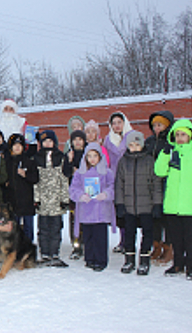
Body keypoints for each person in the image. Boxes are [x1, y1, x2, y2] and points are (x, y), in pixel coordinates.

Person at [155, 119, 192, 281]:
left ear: (190, 136)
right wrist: (165, 154)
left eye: (183, 135)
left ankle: (190, 266)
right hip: (173, 204)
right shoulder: (170, 152)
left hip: (190, 204)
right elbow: (159, 171)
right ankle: (177, 264)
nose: (180, 138)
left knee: (189, 237)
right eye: (177, 135)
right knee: (175, 237)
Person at [115, 131, 163, 276]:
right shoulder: (123, 162)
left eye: (137, 144)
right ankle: (129, 259)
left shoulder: (149, 161)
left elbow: (156, 184)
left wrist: (157, 203)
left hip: (146, 206)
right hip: (129, 206)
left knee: (147, 233)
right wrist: (120, 203)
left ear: (142, 145)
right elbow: (119, 184)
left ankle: (144, 260)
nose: (134, 147)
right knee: (129, 233)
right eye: (131, 145)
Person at [69, 142, 116, 271]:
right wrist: (80, 196)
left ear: (100, 156)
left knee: (100, 237)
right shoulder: (80, 173)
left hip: (101, 211)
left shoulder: (107, 172)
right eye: (89, 156)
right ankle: (89, 259)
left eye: (95, 155)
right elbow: (73, 188)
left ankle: (101, 260)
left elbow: (112, 187)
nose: (92, 159)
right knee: (88, 236)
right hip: (86, 210)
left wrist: (105, 194)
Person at [34, 130, 70, 267]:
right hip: (43, 200)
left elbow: (64, 180)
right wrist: (36, 199)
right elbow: (36, 182)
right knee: (43, 229)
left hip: (56, 201)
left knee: (56, 228)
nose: (47, 143)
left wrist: (64, 199)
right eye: (44, 141)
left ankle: (54, 252)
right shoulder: (37, 158)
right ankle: (44, 253)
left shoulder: (60, 158)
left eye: (50, 141)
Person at [145, 110, 175, 264]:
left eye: (160, 125)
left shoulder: (172, 142)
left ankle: (168, 248)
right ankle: (155, 245)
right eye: (154, 125)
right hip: (151, 184)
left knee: (167, 217)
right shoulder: (149, 141)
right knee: (154, 217)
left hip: (167, 183)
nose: (157, 128)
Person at [102, 111, 134, 254]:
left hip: (130, 178)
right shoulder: (108, 140)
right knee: (119, 212)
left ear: (124, 123)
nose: (116, 126)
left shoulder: (132, 136)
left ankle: (130, 242)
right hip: (115, 180)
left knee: (130, 212)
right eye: (114, 123)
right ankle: (122, 241)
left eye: (119, 122)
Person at [5, 133, 39, 243]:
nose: (17, 147)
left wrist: (26, 175)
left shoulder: (29, 161)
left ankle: (29, 249)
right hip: (13, 201)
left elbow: (35, 178)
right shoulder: (7, 162)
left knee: (28, 228)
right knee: (14, 228)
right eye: (15, 145)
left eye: (20, 145)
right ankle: (15, 251)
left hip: (27, 200)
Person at [62, 130, 87, 260]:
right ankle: (76, 245)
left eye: (80, 139)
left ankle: (87, 243)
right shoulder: (69, 155)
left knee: (86, 219)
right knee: (74, 220)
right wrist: (70, 162)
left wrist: (80, 172)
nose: (77, 142)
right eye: (75, 139)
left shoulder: (88, 154)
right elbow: (65, 173)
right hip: (73, 193)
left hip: (86, 193)